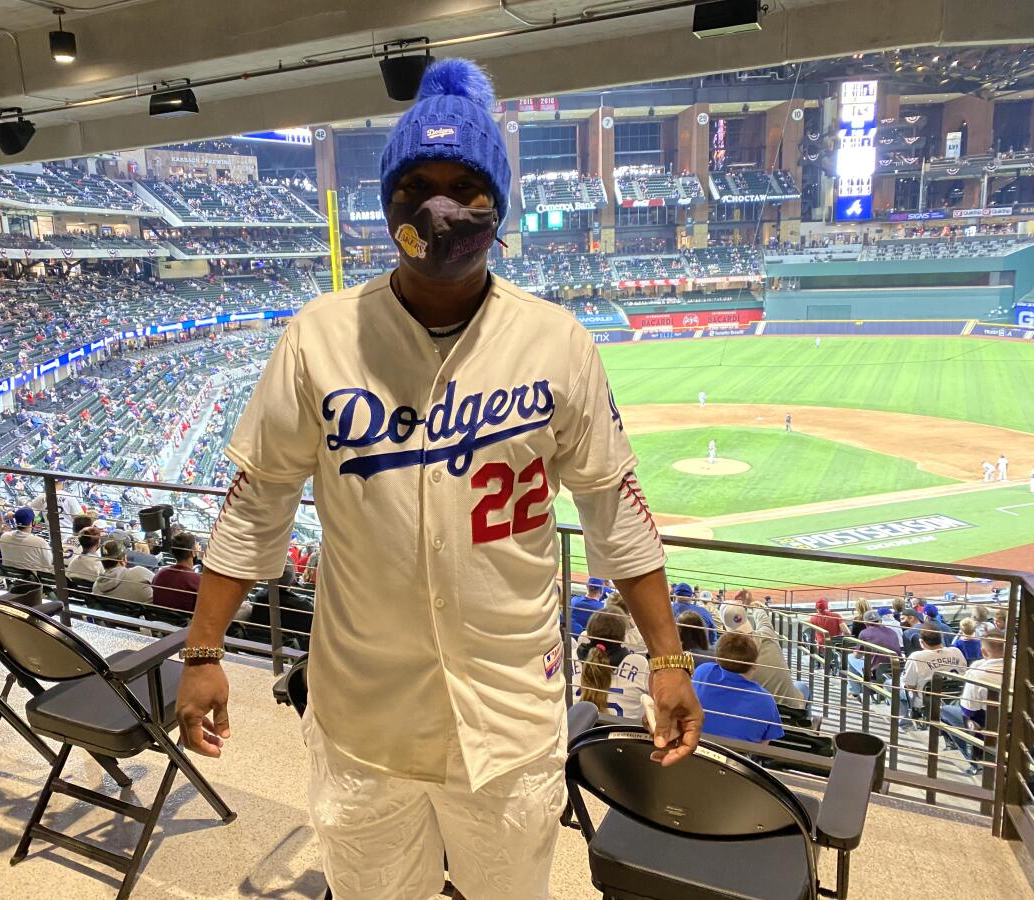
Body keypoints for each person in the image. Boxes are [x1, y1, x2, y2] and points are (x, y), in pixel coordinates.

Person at [175, 58, 701, 900]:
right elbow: (254, 506)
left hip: (510, 719)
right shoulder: (319, 336)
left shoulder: (557, 341)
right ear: (387, 201)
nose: (441, 205)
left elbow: (615, 509)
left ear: (500, 202)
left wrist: (667, 655)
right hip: (362, 721)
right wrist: (205, 649)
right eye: (417, 181)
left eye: (467, 183)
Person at [692, 632, 785, 744]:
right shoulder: (765, 700)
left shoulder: (702, 671)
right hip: (737, 759)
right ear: (754, 665)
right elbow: (764, 744)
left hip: (697, 752)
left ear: (717, 659)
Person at [939, 629, 1005, 775]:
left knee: (945, 711)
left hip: (987, 727)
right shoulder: (1023, 670)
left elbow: (968, 710)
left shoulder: (977, 674)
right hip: (1015, 725)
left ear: (983, 651)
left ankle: (974, 760)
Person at [720, 600, 807, 710]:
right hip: (791, 709)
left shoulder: (726, 657)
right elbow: (764, 621)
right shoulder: (767, 633)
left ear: (724, 627)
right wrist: (756, 607)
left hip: (757, 711)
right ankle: (806, 720)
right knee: (802, 686)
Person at [573, 606, 649, 718]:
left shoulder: (572, 656)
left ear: (589, 632)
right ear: (623, 636)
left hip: (578, 732)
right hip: (622, 733)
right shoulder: (640, 663)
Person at [900, 626, 967, 724]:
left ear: (921, 642)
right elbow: (964, 673)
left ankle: (905, 721)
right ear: (941, 639)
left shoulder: (916, 656)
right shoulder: (956, 651)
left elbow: (908, 684)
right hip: (955, 696)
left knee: (893, 684)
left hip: (927, 701)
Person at [151, 531, 202, 612]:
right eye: (197, 545)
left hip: (159, 622)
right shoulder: (196, 580)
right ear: (193, 552)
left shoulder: (160, 574)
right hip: (184, 623)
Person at [92, 539, 154, 604]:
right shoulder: (140, 573)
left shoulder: (96, 588)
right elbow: (160, 583)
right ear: (123, 560)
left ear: (102, 562)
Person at [0, 506, 53, 572]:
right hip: (34, 580)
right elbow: (50, 563)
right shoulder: (40, 542)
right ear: (32, 522)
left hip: (10, 577)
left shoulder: (4, 537)